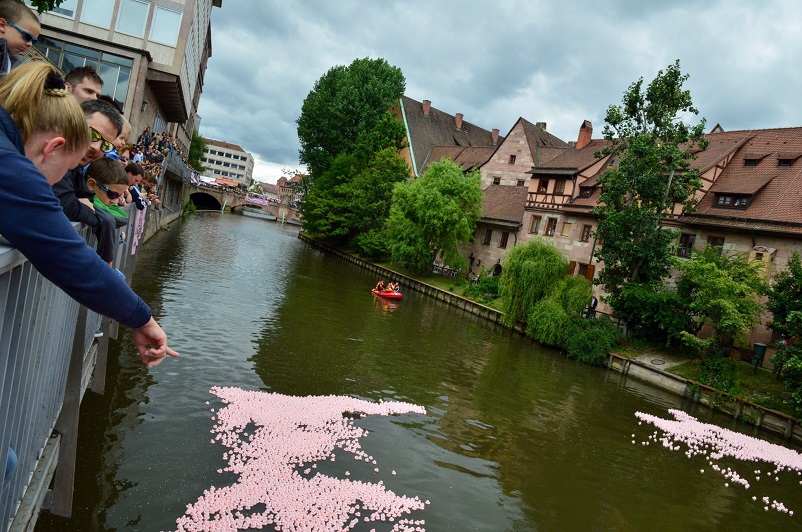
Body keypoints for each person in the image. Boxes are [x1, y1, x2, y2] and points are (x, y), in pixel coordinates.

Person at [0, 60, 177, 366]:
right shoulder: (10, 168)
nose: (56, 183)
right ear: (53, 147)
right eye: (69, 168)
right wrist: (142, 319)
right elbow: (65, 255)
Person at [51, 98, 123, 266]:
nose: (96, 147)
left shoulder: (75, 165)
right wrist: (92, 213)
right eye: (93, 134)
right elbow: (64, 204)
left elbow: (87, 196)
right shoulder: (58, 156)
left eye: (106, 144)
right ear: (74, 122)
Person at [0, 0, 38, 81]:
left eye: (33, 41)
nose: (30, 44)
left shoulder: (18, 65)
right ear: (2, 25)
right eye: (27, 36)